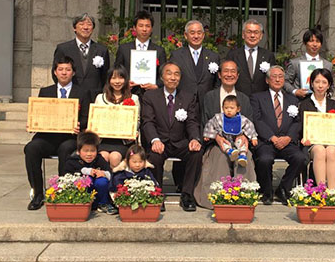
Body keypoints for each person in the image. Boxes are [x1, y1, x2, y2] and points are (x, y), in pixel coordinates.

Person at [24, 56, 90, 211]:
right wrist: (34, 122)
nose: (64, 73)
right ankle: (38, 193)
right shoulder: (46, 91)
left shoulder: (82, 92)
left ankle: (63, 191)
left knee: (66, 149)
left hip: (70, 137)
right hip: (47, 137)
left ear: (73, 72)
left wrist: (80, 125)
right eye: (60, 69)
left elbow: (87, 117)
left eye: (68, 70)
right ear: (55, 72)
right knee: (31, 148)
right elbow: (40, 114)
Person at [193, 59, 256, 209]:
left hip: (240, 143)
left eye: (233, 71)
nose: (229, 74)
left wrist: (245, 137)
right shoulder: (209, 97)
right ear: (220, 75)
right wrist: (218, 138)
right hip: (217, 143)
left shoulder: (244, 99)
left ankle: (243, 197)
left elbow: (249, 123)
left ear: (238, 75)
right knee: (221, 157)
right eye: (226, 71)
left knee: (244, 157)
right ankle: (218, 197)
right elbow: (205, 122)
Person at [141, 61, 203, 211]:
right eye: (169, 73)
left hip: (180, 141)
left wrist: (195, 138)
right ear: (162, 77)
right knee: (154, 156)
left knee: (196, 152)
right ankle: (156, 193)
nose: (173, 77)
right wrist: (155, 140)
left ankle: (187, 194)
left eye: (177, 74)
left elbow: (192, 121)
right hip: (160, 141)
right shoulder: (150, 96)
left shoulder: (188, 97)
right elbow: (147, 122)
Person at [251, 65, 307, 205]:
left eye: (280, 76)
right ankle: (267, 190)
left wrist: (288, 137)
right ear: (267, 80)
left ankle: (283, 188)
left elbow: (297, 122)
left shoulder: (293, 100)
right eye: (274, 76)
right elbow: (257, 120)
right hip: (267, 141)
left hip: (287, 141)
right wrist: (272, 137)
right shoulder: (257, 98)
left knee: (301, 158)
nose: (277, 79)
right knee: (264, 159)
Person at [299, 68, 335, 190]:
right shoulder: (305, 104)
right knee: (319, 150)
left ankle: (332, 191)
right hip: (313, 142)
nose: (320, 86)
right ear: (311, 83)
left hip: (331, 141)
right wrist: (304, 138)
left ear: (328, 85)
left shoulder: (334, 104)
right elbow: (302, 125)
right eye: (317, 82)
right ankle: (321, 190)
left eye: (324, 82)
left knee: (332, 151)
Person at [53, 13, 110, 101]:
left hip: (94, 97)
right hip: (71, 96)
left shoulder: (101, 50)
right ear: (74, 28)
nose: (85, 27)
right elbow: (56, 72)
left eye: (89, 24)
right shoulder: (63, 49)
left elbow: (105, 75)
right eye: (81, 24)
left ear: (93, 28)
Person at [94, 66, 140, 169]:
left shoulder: (134, 98)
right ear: (109, 80)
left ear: (126, 80)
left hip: (123, 141)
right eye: (113, 78)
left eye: (120, 78)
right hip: (103, 140)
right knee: (103, 157)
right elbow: (95, 119)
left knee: (115, 157)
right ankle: (103, 183)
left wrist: (134, 130)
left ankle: (116, 184)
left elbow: (137, 120)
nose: (117, 81)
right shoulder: (100, 98)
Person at [114, 10, 167, 97]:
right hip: (128, 93)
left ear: (152, 29)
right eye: (141, 26)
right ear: (134, 28)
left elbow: (164, 73)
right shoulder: (124, 49)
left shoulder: (159, 50)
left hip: (151, 95)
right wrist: (124, 82)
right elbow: (117, 70)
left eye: (147, 26)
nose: (144, 29)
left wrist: (156, 85)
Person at [64, 131, 117, 214]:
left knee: (102, 181)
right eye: (85, 151)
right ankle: (85, 204)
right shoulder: (72, 161)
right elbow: (68, 176)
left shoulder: (99, 159)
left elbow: (110, 173)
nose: (89, 154)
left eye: (92, 151)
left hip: (99, 193)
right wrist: (86, 172)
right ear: (79, 151)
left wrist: (104, 173)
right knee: (87, 180)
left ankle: (103, 204)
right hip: (82, 195)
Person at [169, 20, 220, 105]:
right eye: (192, 33)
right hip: (183, 102)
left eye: (199, 33)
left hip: (207, 103)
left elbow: (217, 82)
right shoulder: (176, 56)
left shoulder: (213, 56)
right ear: (186, 35)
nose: (196, 36)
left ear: (203, 35)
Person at [203, 95, 258, 167]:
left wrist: (253, 137)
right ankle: (230, 152)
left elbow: (249, 127)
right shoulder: (218, 118)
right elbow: (210, 125)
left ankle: (242, 156)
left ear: (238, 109)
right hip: (225, 139)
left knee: (242, 143)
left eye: (232, 108)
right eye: (226, 108)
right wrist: (208, 135)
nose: (229, 110)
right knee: (224, 144)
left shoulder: (242, 119)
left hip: (237, 139)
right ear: (222, 108)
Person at [226, 19, 276, 97]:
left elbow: (272, 79)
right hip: (238, 99)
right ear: (243, 35)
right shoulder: (233, 55)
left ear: (261, 36)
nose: (252, 36)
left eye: (256, 32)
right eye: (249, 32)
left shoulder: (268, 55)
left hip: (261, 100)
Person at [284, 27, 332, 99]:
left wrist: (328, 94)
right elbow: (285, 81)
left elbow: (332, 85)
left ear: (321, 44)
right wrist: (295, 91)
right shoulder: (295, 63)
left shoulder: (327, 65)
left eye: (318, 41)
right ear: (304, 43)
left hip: (321, 103)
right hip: (299, 102)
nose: (315, 44)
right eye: (311, 41)